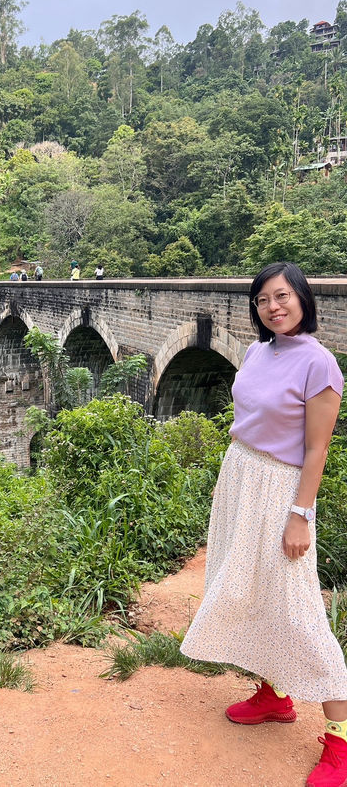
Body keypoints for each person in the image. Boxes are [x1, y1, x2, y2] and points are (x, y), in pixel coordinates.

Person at [180, 262, 347, 787]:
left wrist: (300, 515)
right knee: (252, 590)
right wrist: (232, 480)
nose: (273, 307)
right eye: (262, 300)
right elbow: (248, 419)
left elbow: (317, 450)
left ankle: (342, 741)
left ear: (303, 298)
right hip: (241, 476)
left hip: (281, 490)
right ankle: (275, 695)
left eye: (282, 297)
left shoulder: (319, 365)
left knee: (297, 608)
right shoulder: (256, 351)